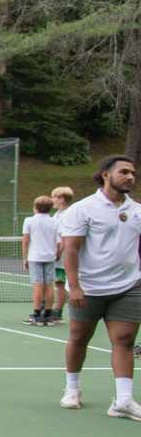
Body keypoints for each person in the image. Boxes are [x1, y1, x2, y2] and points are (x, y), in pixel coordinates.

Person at [57, 155, 140, 419]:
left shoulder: (137, 210)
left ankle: (123, 401)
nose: (130, 177)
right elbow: (71, 250)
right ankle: (72, 389)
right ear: (105, 174)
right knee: (79, 337)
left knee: (125, 339)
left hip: (128, 287)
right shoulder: (82, 209)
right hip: (89, 288)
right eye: (124, 172)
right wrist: (75, 286)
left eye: (133, 173)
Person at [21, 195, 60, 326]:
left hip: (35, 258)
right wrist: (57, 254)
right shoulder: (55, 221)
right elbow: (60, 242)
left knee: (38, 286)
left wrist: (25, 258)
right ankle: (48, 316)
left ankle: (37, 315)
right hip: (50, 257)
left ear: (36, 207)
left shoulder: (29, 221)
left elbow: (25, 241)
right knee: (49, 285)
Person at [50, 186, 75, 324]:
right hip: (59, 257)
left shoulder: (68, 215)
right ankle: (57, 312)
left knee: (70, 285)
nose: (52, 200)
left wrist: (59, 252)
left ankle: (78, 313)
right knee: (59, 283)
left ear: (62, 199)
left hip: (66, 257)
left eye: (54, 197)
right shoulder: (57, 214)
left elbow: (65, 237)